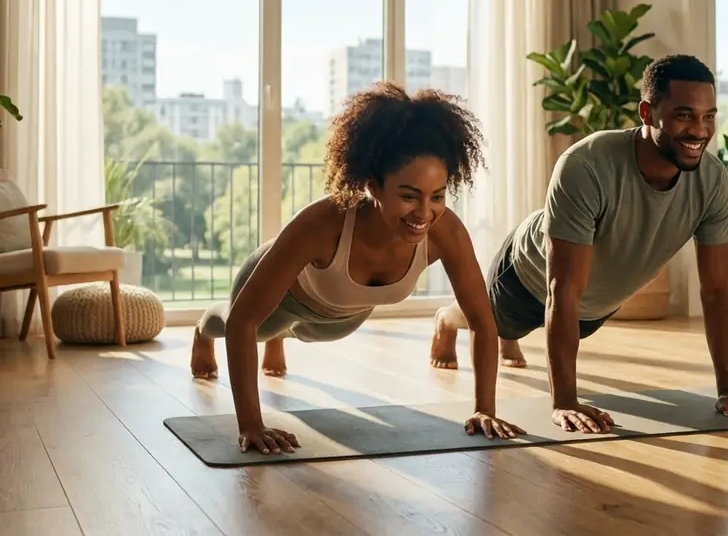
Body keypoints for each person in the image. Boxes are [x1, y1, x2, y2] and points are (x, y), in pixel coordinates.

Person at [429, 54, 728, 434]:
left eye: (708, 116)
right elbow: (561, 288)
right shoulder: (586, 164)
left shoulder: (712, 182)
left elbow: (717, 288)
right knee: (488, 322)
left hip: (593, 306)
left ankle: (509, 340)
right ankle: (445, 322)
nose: (699, 130)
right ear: (647, 113)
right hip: (528, 276)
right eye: (684, 115)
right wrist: (564, 401)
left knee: (528, 329)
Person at [191, 81, 525, 455]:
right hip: (284, 297)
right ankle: (203, 329)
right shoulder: (322, 223)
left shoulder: (445, 231)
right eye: (409, 196)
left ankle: (280, 341)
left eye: (438, 196)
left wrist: (484, 409)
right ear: (372, 187)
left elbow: (481, 319)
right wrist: (251, 424)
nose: (425, 213)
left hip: (341, 315)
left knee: (308, 333)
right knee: (249, 326)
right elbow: (242, 322)